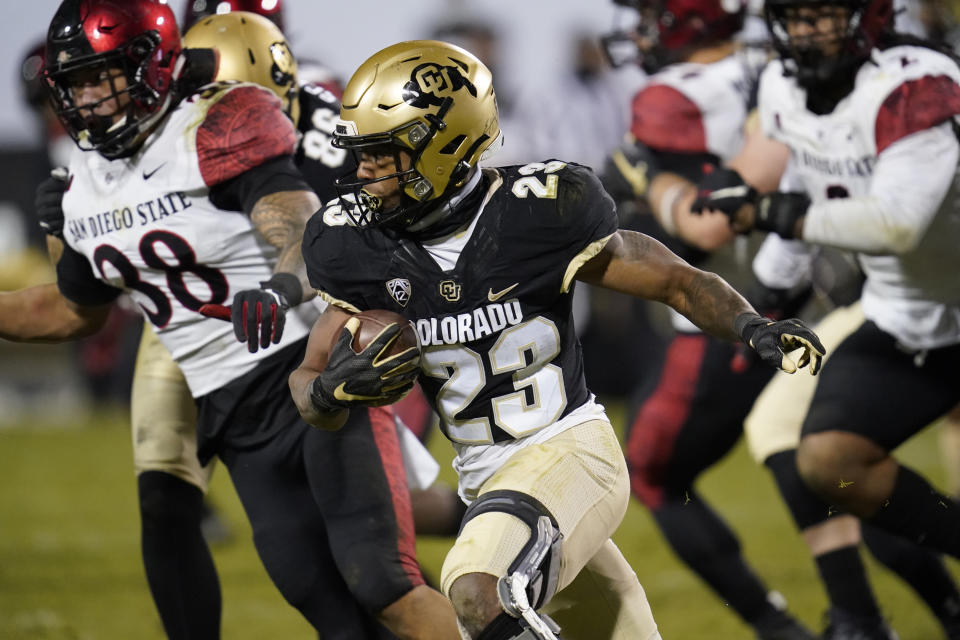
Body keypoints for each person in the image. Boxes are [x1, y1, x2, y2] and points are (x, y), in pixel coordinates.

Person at [288, 39, 824, 640]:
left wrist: (751, 324)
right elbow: (307, 385)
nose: (362, 171)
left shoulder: (539, 209)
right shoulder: (353, 247)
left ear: (443, 144)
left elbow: (675, 281)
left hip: (574, 453)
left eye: (382, 154)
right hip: (489, 483)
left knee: (478, 590)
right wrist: (333, 392)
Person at [18, 2, 459, 639]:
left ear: (150, 64)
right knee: (333, 615)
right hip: (233, 421)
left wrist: (279, 289)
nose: (85, 98)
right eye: (74, 84)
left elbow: (309, 231)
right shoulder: (84, 188)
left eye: (100, 76)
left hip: (313, 381)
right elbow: (66, 312)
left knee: (385, 585)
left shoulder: (211, 126)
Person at [684, 0, 960, 634]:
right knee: (829, 461)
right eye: (795, 15)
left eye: (824, 13)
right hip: (906, 317)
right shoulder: (784, 85)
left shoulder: (914, 83)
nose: (807, 30)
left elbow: (898, 224)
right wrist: (764, 306)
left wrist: (775, 213)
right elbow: (814, 194)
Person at [598, 0, 818, 637]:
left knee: (652, 466)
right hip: (805, 279)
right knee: (819, 453)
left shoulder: (673, 95)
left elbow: (703, 221)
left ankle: (779, 626)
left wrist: (645, 177)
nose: (640, 28)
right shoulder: (772, 65)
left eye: (650, 12)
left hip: (739, 304)